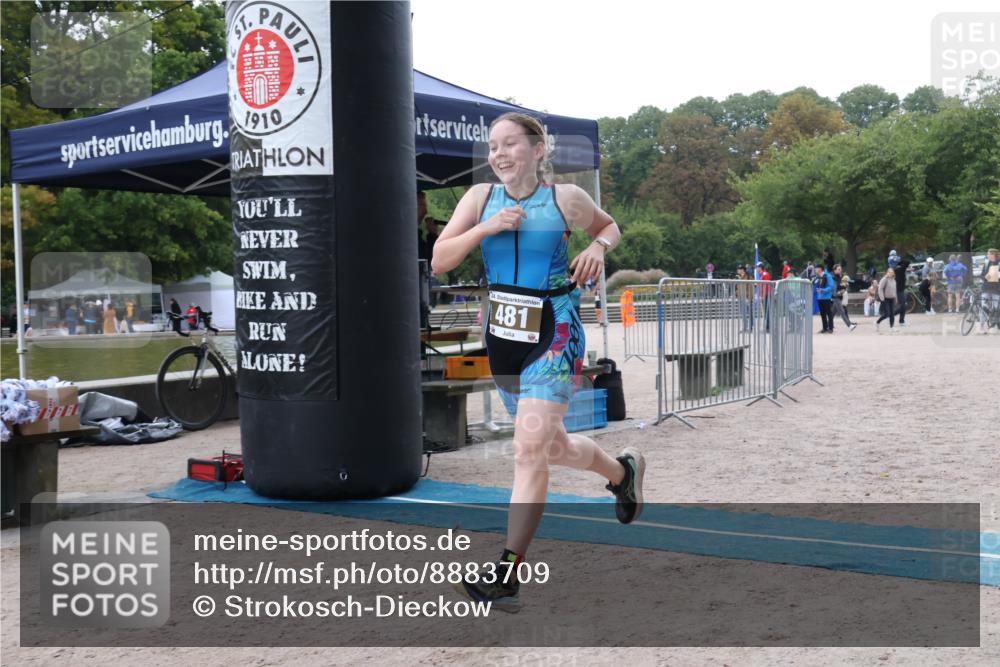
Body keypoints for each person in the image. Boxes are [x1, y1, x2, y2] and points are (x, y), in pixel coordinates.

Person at [431, 112, 643, 611]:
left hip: (556, 329)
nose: (498, 154)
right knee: (551, 449)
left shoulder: (565, 198)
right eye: (492, 147)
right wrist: (486, 228)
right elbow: (441, 259)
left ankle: (506, 574)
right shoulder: (478, 199)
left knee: (527, 451)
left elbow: (610, 227)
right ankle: (621, 474)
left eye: (510, 145)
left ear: (538, 150)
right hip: (503, 335)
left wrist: (595, 245)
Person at [979, 248, 1000, 333]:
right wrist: (985, 277)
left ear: (993, 254)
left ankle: (997, 324)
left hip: (997, 289)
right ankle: (982, 327)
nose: (987, 255)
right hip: (986, 288)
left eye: (988, 254)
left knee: (997, 308)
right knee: (984, 307)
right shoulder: (987, 263)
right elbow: (981, 276)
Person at [831, 266, 857, 331]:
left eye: (840, 269)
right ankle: (849, 325)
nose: (840, 270)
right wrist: (842, 286)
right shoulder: (833, 278)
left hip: (839, 297)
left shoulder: (839, 277)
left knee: (832, 314)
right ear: (834, 270)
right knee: (842, 312)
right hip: (836, 297)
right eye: (838, 269)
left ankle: (830, 326)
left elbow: (841, 287)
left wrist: (844, 286)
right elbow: (835, 288)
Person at [876, 268, 898, 333]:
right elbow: (880, 288)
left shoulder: (894, 280)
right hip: (885, 299)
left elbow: (894, 290)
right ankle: (877, 322)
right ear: (887, 272)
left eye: (892, 272)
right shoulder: (884, 279)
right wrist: (882, 298)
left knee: (892, 313)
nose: (891, 273)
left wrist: (896, 298)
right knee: (887, 314)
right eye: (889, 272)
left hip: (892, 298)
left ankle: (892, 327)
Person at [814, 265, 835, 333]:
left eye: (816, 268)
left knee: (829, 313)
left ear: (820, 269)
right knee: (822, 314)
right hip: (819, 297)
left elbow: (831, 286)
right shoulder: (817, 277)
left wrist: (823, 290)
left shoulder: (827, 276)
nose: (815, 270)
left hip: (826, 297)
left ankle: (831, 328)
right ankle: (824, 328)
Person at [736, 265, 754, 331]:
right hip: (741, 297)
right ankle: (745, 326)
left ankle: (750, 327)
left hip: (747, 297)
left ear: (742, 270)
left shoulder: (749, 277)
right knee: (743, 313)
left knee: (749, 313)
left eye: (738, 269)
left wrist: (748, 297)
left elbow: (750, 288)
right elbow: (739, 288)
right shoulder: (739, 277)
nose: (737, 271)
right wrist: (736, 295)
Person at [894, 258, 910, 326]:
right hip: (899, 290)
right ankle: (892, 316)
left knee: (903, 305)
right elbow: (907, 261)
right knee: (903, 305)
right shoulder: (900, 269)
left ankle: (901, 321)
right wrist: (900, 261)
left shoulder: (897, 269)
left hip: (900, 290)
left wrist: (899, 262)